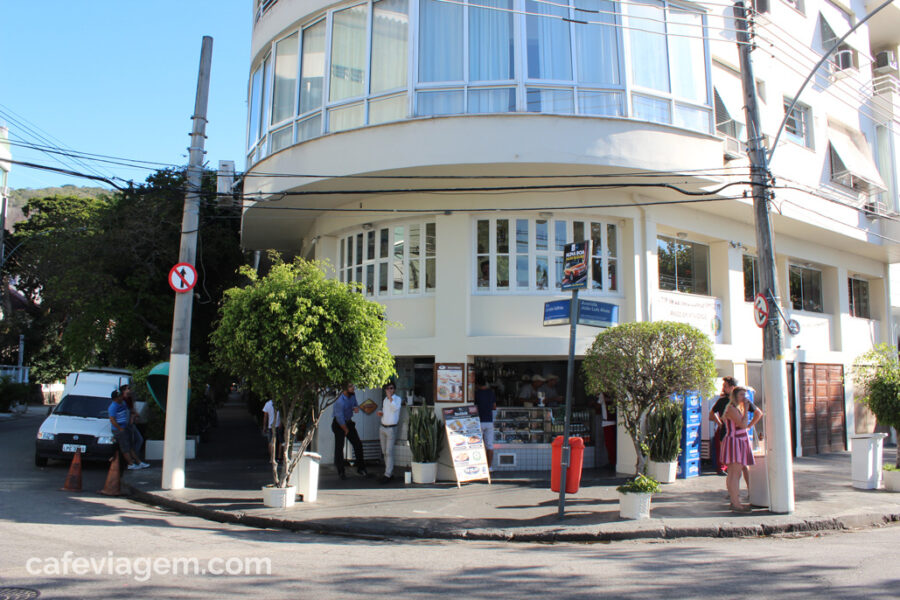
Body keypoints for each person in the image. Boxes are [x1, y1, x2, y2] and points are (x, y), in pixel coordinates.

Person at [721, 386, 764, 511]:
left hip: (737, 441)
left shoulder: (734, 408)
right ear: (735, 396)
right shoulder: (732, 409)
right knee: (735, 473)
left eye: (745, 395)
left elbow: (757, 414)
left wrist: (749, 425)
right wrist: (746, 410)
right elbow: (742, 424)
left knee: (733, 473)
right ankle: (735, 502)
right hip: (735, 441)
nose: (744, 398)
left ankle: (734, 500)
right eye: (741, 395)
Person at [331, 383, 367, 480]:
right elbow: (339, 418)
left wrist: (355, 408)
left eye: (353, 386)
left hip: (348, 422)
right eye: (351, 386)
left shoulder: (352, 395)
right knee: (339, 447)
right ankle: (341, 472)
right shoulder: (339, 401)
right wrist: (345, 429)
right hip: (339, 424)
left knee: (358, 444)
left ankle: (361, 468)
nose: (353, 388)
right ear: (345, 388)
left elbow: (355, 404)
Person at [108, 390, 149, 470]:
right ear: (115, 398)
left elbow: (128, 411)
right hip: (119, 429)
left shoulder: (123, 403)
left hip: (125, 427)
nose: (121, 397)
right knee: (125, 447)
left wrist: (133, 416)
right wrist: (120, 429)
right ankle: (130, 463)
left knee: (130, 446)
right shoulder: (113, 407)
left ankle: (138, 462)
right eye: (119, 396)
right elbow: (112, 419)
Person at [709, 377, 737, 476]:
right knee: (724, 450)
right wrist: (720, 423)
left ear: (732, 387)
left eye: (725, 386)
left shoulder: (739, 401)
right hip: (725, 430)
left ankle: (730, 467)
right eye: (723, 386)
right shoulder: (722, 401)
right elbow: (711, 414)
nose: (723, 388)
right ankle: (723, 468)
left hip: (735, 431)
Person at [377, 382, 403, 484]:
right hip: (383, 427)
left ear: (394, 390)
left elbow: (395, 408)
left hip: (391, 428)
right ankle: (388, 472)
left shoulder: (397, 399)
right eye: (387, 388)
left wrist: (390, 397)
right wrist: (381, 413)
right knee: (384, 451)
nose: (389, 390)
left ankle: (387, 474)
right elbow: (386, 411)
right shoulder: (385, 400)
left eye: (391, 388)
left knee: (389, 451)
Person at [473, 374, 497, 469]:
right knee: (489, 445)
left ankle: (479, 467)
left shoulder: (476, 393)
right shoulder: (491, 392)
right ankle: (489, 467)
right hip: (489, 421)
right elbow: (494, 407)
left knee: (477, 444)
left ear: (477, 384)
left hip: (478, 421)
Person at [262, 398, 284, 463]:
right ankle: (279, 457)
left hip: (270, 426)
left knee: (271, 442)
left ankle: (272, 458)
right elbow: (283, 415)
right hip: (279, 425)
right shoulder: (280, 404)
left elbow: (265, 416)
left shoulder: (267, 404)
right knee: (281, 441)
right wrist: (281, 423)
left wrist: (264, 426)